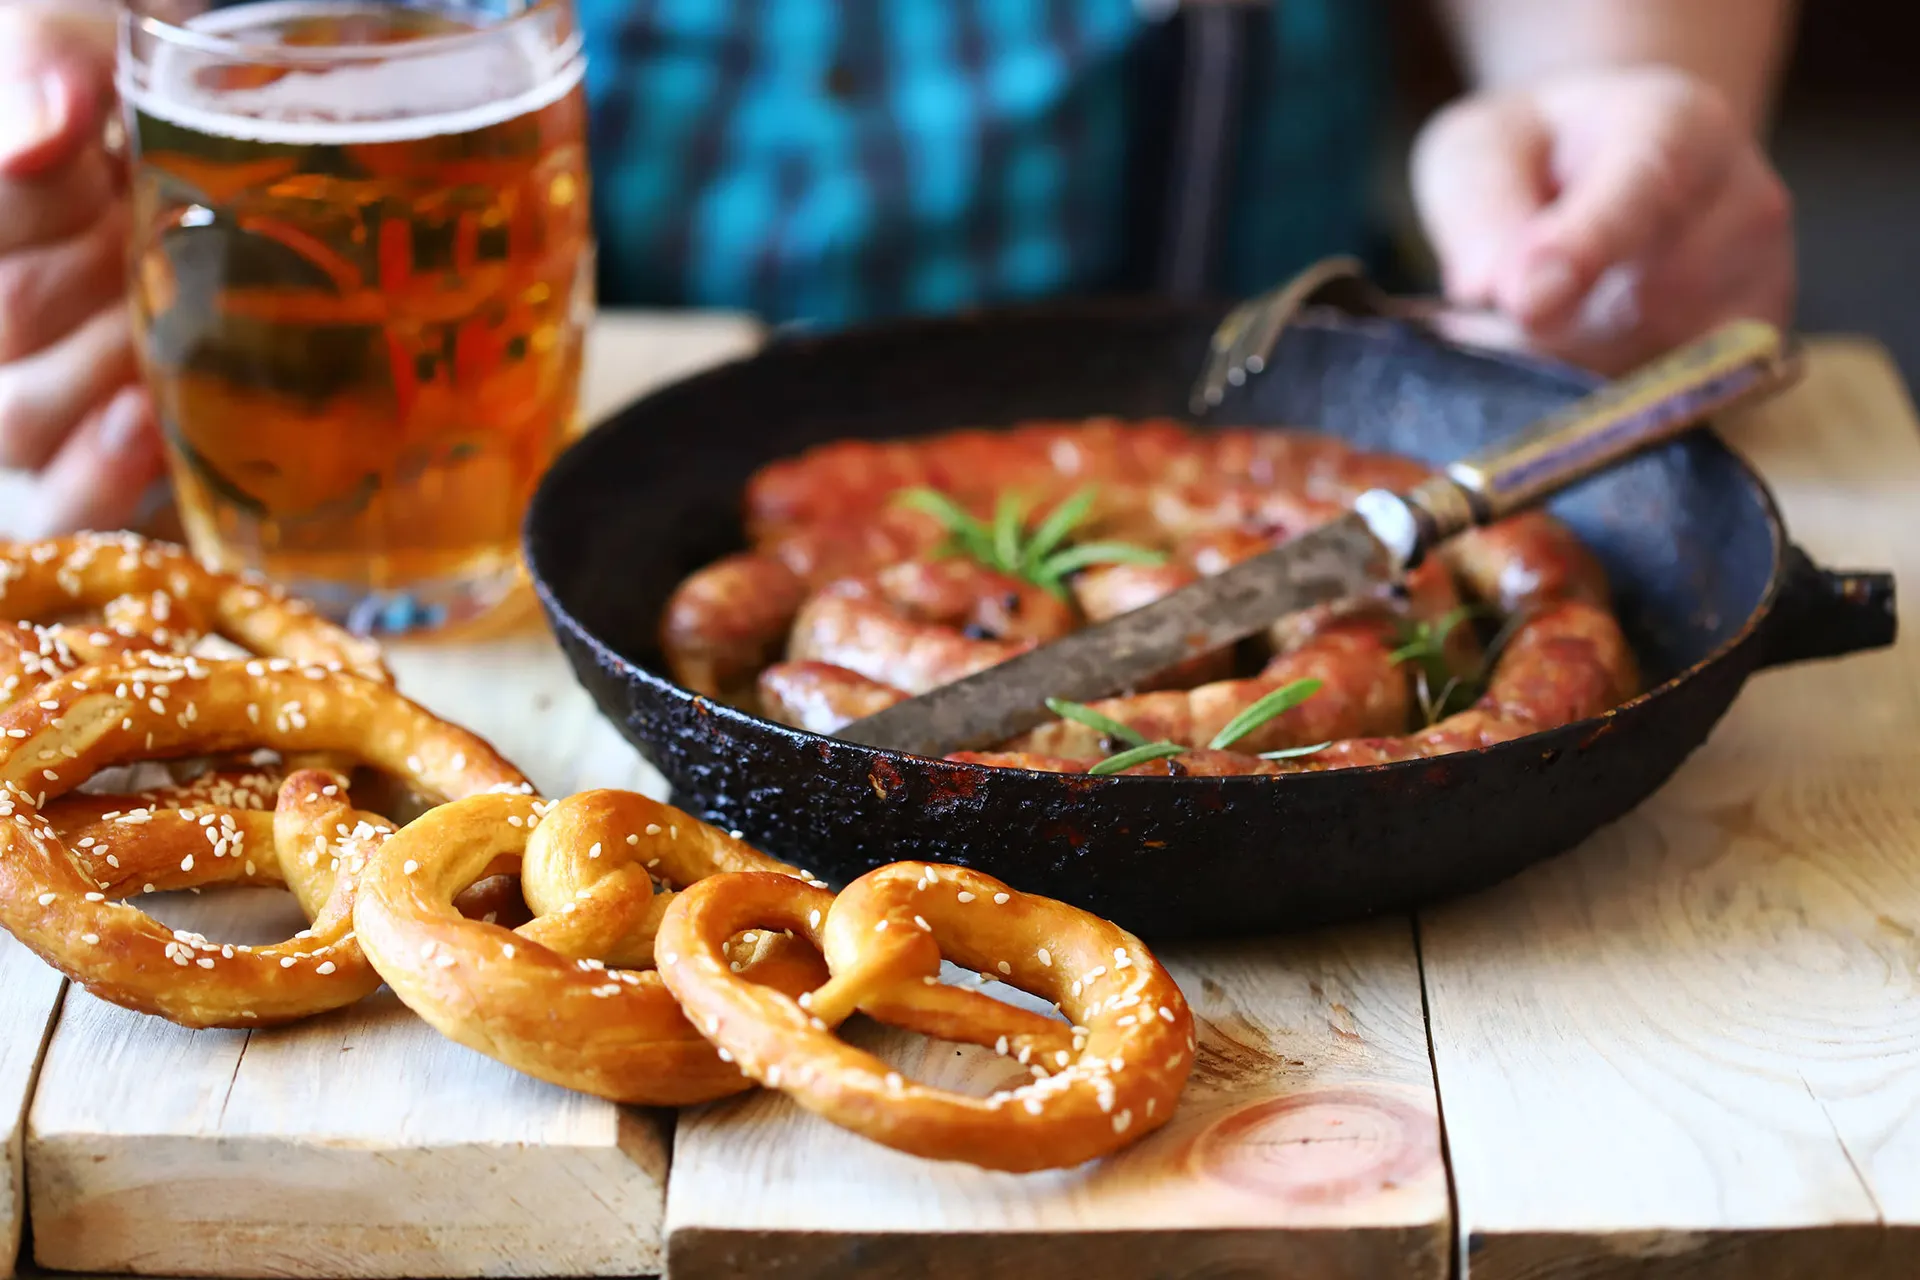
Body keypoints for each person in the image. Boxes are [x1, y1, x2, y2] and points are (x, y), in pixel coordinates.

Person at [0, 0, 1794, 537]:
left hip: (1266, 374)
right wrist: (54, 91)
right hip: (441, 466)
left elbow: (1607, 58)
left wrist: (1616, 110)